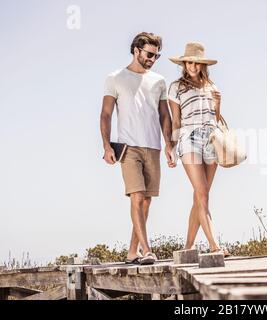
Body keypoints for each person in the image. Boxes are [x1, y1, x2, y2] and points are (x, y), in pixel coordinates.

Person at [100, 32, 176, 265]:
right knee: (137, 196)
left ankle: (132, 252)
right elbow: (105, 114)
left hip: (152, 146)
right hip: (128, 147)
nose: (153, 59)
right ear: (136, 50)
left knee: (146, 201)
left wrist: (169, 145)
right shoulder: (115, 78)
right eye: (149, 54)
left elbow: (165, 115)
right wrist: (106, 145)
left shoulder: (159, 81)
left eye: (156, 55)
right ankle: (147, 249)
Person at [167, 42, 230, 256]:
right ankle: (215, 246)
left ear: (202, 64)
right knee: (202, 193)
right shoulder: (176, 87)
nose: (192, 66)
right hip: (188, 138)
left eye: (196, 62)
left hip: (211, 139)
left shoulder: (213, 87)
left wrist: (218, 105)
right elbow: (176, 120)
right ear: (184, 63)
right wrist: (172, 147)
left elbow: (216, 118)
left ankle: (188, 247)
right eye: (189, 62)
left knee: (200, 195)